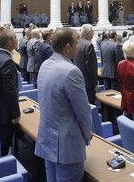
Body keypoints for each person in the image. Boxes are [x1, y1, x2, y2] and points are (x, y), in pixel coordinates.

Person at [35, 28, 93, 182]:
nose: (78, 47)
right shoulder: (71, 71)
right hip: (67, 146)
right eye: (76, 43)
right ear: (68, 47)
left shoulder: (45, 65)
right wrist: (87, 135)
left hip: (48, 138)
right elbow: (83, 111)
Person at [0, 29, 20, 156]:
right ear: (10, 42)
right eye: (16, 38)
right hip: (3, 114)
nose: (17, 41)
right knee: (2, 149)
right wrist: (16, 113)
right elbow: (10, 90)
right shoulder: (7, 61)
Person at [74, 24, 98, 103]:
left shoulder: (76, 43)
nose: (93, 34)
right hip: (87, 84)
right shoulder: (88, 45)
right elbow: (91, 67)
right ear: (88, 34)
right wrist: (94, 84)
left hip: (77, 80)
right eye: (92, 32)